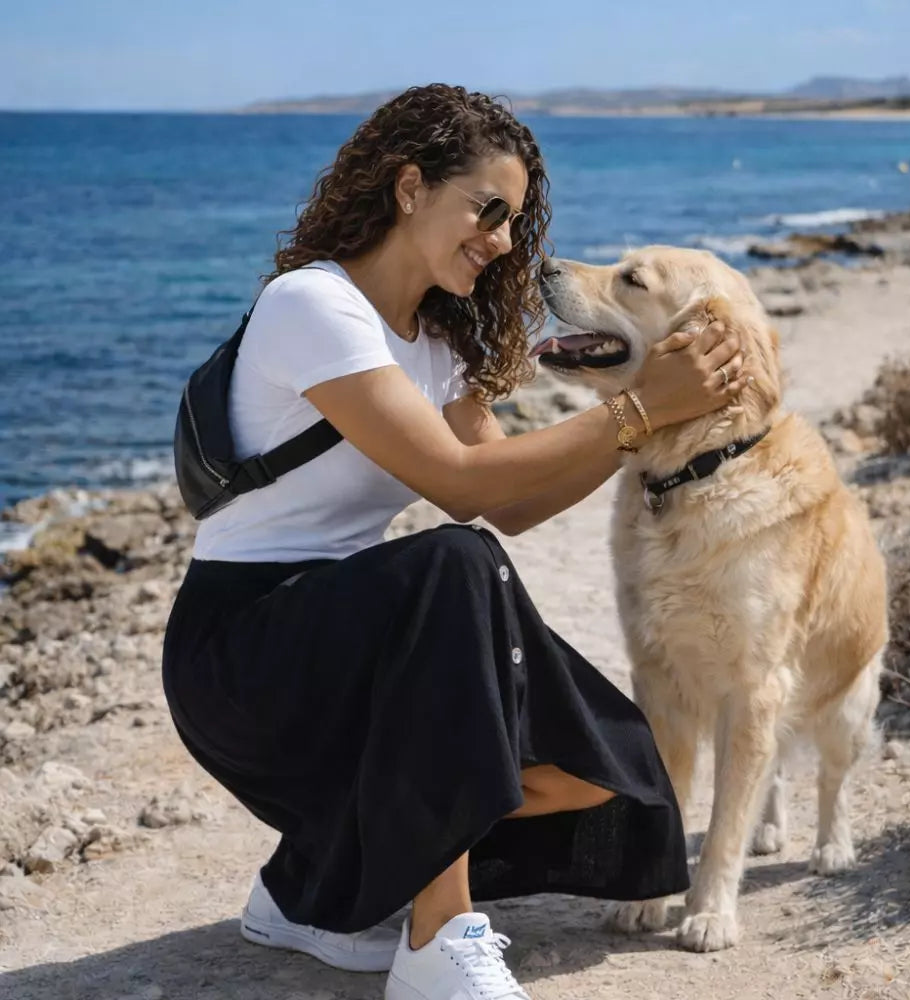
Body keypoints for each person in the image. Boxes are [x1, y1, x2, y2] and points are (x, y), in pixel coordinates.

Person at [162, 83, 747, 1000]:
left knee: (617, 776)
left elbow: (514, 502)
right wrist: (641, 410)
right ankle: (438, 938)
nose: (506, 241)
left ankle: (315, 888)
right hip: (244, 655)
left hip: (367, 649)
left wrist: (656, 425)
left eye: (513, 221)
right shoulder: (311, 305)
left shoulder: (437, 344)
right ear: (407, 188)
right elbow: (463, 488)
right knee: (455, 564)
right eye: (488, 210)